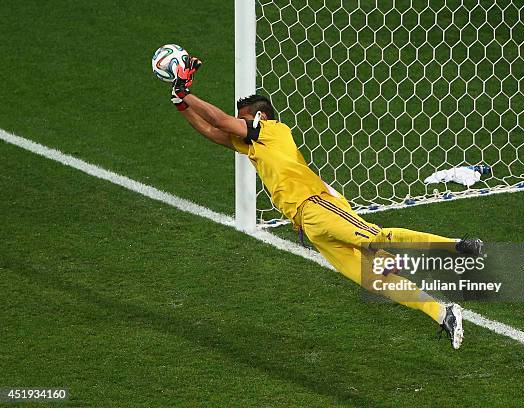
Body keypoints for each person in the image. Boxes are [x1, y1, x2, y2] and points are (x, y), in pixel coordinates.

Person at [169, 57, 483, 349]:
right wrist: (182, 103)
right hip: (310, 226)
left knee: (375, 238)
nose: (238, 125)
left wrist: (188, 93)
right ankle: (443, 312)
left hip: (317, 205)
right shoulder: (254, 146)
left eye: (243, 119)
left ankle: (458, 246)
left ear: (259, 117)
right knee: (374, 279)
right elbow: (212, 131)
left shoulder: (274, 131)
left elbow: (222, 122)